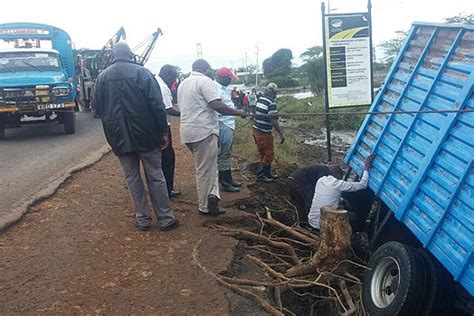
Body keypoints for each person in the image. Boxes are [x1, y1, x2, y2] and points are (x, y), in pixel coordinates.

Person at [92, 42, 179, 232]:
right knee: (155, 175)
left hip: (118, 135)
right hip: (147, 134)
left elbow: (96, 109)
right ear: (130, 55)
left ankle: (142, 219)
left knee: (131, 177)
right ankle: (165, 218)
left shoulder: (101, 78)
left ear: (113, 56)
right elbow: (157, 105)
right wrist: (163, 131)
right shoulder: (143, 73)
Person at [177, 59, 246, 216]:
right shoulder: (205, 82)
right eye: (209, 69)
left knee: (209, 166)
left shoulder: (183, 83)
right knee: (204, 169)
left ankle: (213, 196)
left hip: (188, 132)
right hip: (204, 131)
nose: (211, 72)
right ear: (203, 68)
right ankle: (205, 206)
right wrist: (239, 113)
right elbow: (217, 105)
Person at [307, 154, 376, 231]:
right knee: (353, 216)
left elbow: (330, 195)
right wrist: (366, 168)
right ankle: (353, 232)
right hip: (323, 227)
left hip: (312, 222)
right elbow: (363, 185)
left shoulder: (321, 180)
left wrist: (342, 200)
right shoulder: (337, 184)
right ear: (339, 175)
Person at [156, 64, 181, 198]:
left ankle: (162, 188)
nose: (173, 81)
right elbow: (167, 109)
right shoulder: (163, 87)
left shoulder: (154, 81)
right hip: (163, 126)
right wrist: (184, 114)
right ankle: (168, 189)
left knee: (160, 159)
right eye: (173, 78)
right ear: (168, 75)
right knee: (168, 158)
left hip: (155, 126)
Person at [215, 67, 241, 193]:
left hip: (228, 124)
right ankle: (225, 183)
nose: (231, 81)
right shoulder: (216, 89)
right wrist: (238, 112)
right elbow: (221, 108)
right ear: (223, 77)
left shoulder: (224, 88)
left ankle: (228, 179)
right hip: (223, 123)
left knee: (227, 153)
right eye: (229, 78)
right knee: (223, 154)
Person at [253, 82, 285, 182]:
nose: (276, 94)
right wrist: (281, 133)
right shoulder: (271, 102)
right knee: (269, 154)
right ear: (273, 91)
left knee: (263, 154)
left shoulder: (261, 98)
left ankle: (267, 174)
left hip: (256, 131)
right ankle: (261, 175)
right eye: (276, 92)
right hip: (264, 133)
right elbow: (274, 121)